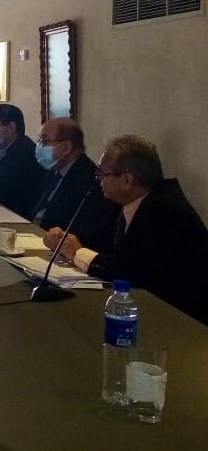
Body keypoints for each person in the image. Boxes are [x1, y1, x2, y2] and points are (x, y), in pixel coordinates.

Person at [47, 135, 208, 325]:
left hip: (182, 321)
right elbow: (99, 241)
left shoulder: (165, 210)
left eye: (102, 174)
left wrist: (76, 252)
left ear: (127, 180)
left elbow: (128, 270)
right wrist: (63, 241)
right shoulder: (126, 201)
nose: (98, 180)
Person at [31, 118, 119, 249]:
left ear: (66, 147)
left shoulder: (89, 179)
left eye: (44, 141)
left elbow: (81, 233)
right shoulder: (53, 170)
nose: (39, 146)